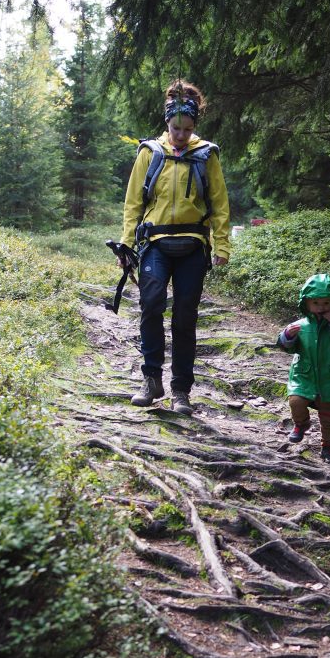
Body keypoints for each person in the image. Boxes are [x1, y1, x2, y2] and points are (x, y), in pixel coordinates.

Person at [118, 80, 231, 415]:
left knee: (185, 317)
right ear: (167, 123)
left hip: (194, 245)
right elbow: (133, 202)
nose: (180, 135)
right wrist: (126, 242)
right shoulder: (150, 153)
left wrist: (221, 245)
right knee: (151, 305)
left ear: (194, 126)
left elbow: (220, 204)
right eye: (175, 128)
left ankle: (181, 390)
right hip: (155, 242)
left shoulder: (206, 154)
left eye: (187, 128)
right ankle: (151, 379)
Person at [276, 273, 330, 464]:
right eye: (316, 303)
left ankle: (329, 447)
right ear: (306, 304)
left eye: (326, 304)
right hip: (303, 376)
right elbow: (285, 346)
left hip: (329, 378)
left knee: (329, 415)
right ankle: (301, 424)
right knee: (296, 401)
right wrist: (287, 335)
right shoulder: (300, 326)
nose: (321, 308)